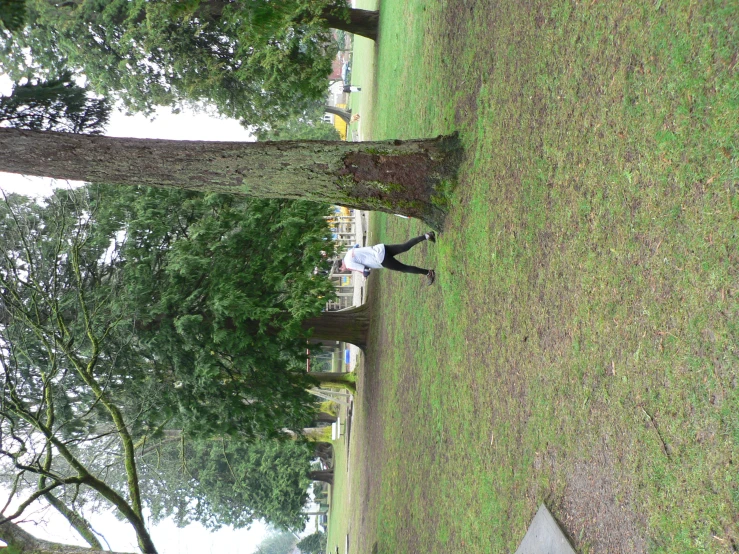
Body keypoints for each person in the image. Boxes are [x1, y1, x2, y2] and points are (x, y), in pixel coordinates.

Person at [340, 232, 436, 285]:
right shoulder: (348, 253)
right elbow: (356, 246)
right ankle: (427, 236)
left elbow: (366, 270)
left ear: (341, 267)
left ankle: (428, 273)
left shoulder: (348, 264)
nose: (343, 270)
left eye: (342, 270)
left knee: (404, 268)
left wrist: (364, 276)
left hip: (381, 260)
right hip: (380, 249)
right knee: (404, 246)